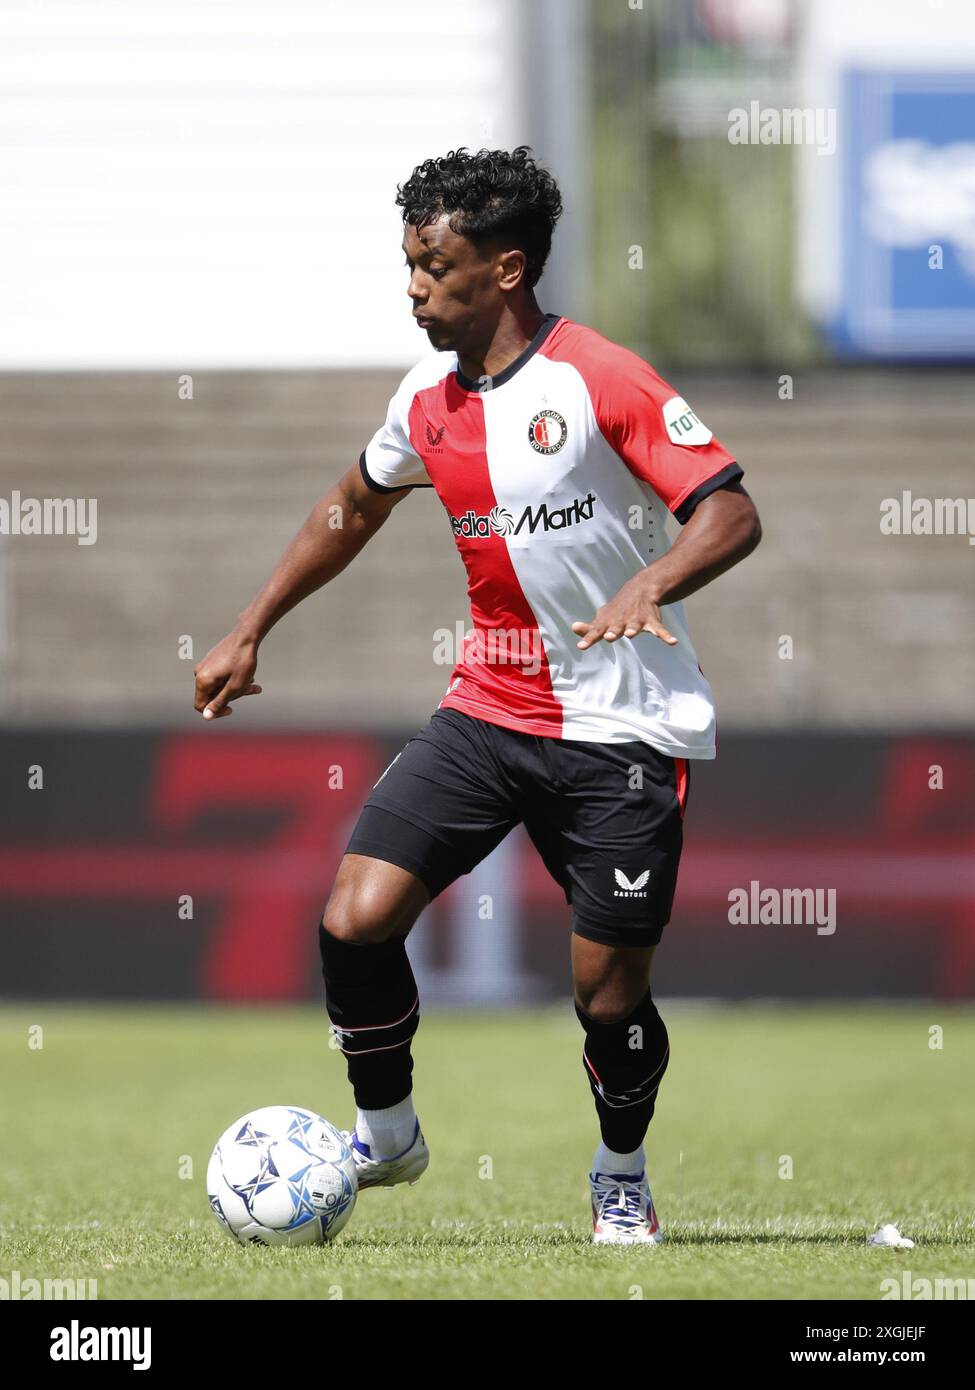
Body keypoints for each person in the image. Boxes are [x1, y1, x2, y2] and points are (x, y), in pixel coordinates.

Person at [194, 146, 761, 1245]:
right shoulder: (426, 398)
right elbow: (352, 507)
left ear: (505, 269)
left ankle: (621, 1173)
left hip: (621, 725)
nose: (413, 285)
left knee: (606, 995)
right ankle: (389, 1132)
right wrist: (251, 624)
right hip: (488, 708)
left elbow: (731, 511)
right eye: (407, 263)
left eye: (433, 265)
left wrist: (652, 578)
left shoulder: (599, 375)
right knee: (353, 919)